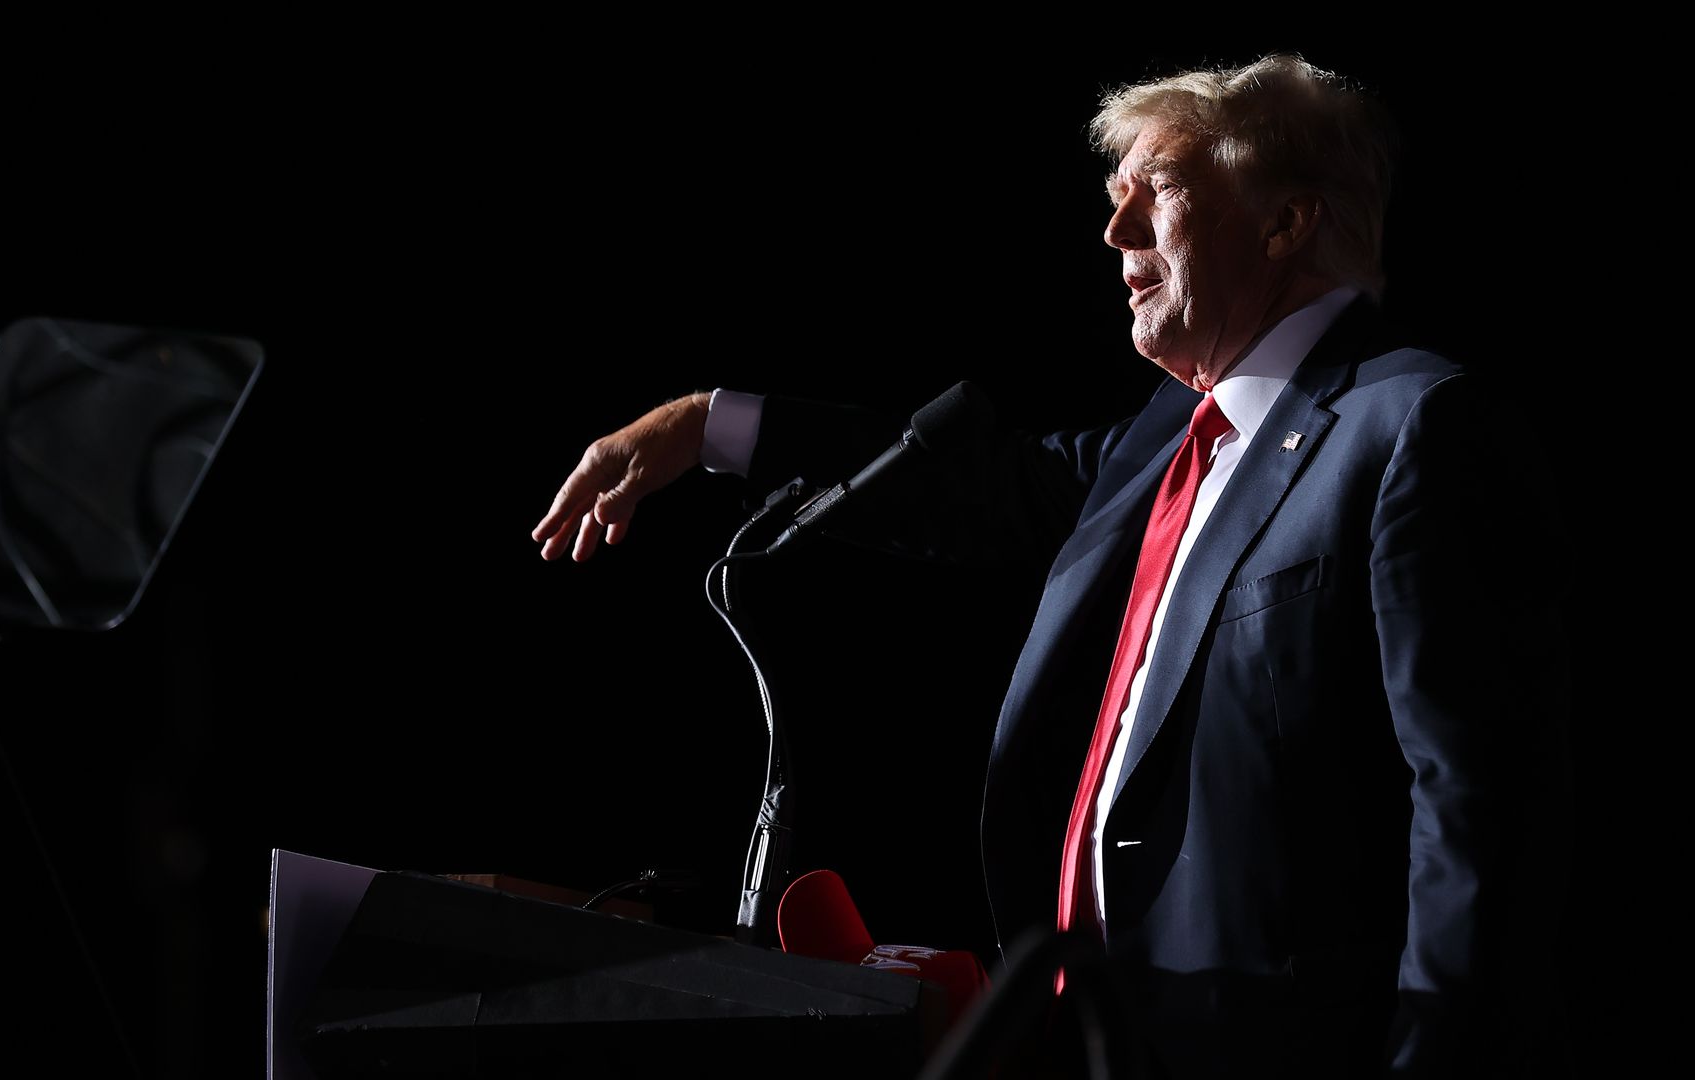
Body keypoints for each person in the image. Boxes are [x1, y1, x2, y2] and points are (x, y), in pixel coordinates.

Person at [533, 54, 1573, 1078]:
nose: (1114, 232)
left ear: (1285, 221)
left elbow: (1479, 799)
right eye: (1112, 199)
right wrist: (708, 428)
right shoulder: (1167, 441)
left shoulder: (1414, 427)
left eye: (1156, 194)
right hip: (1101, 1036)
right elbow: (968, 485)